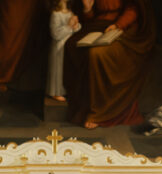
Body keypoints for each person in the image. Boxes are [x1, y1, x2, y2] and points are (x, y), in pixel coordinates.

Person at [63, 0, 155, 129]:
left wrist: (118, 25)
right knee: (72, 45)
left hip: (125, 29)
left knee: (97, 54)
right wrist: (87, 10)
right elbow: (92, 17)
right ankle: (81, 104)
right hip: (99, 26)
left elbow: (133, 9)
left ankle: (98, 113)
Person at [47, 0, 81, 102]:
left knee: (67, 69)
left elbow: (76, 28)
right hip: (59, 47)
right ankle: (56, 92)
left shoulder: (70, 12)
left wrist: (76, 25)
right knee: (58, 70)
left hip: (69, 45)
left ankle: (67, 90)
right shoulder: (55, 14)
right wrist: (69, 26)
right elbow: (56, 34)